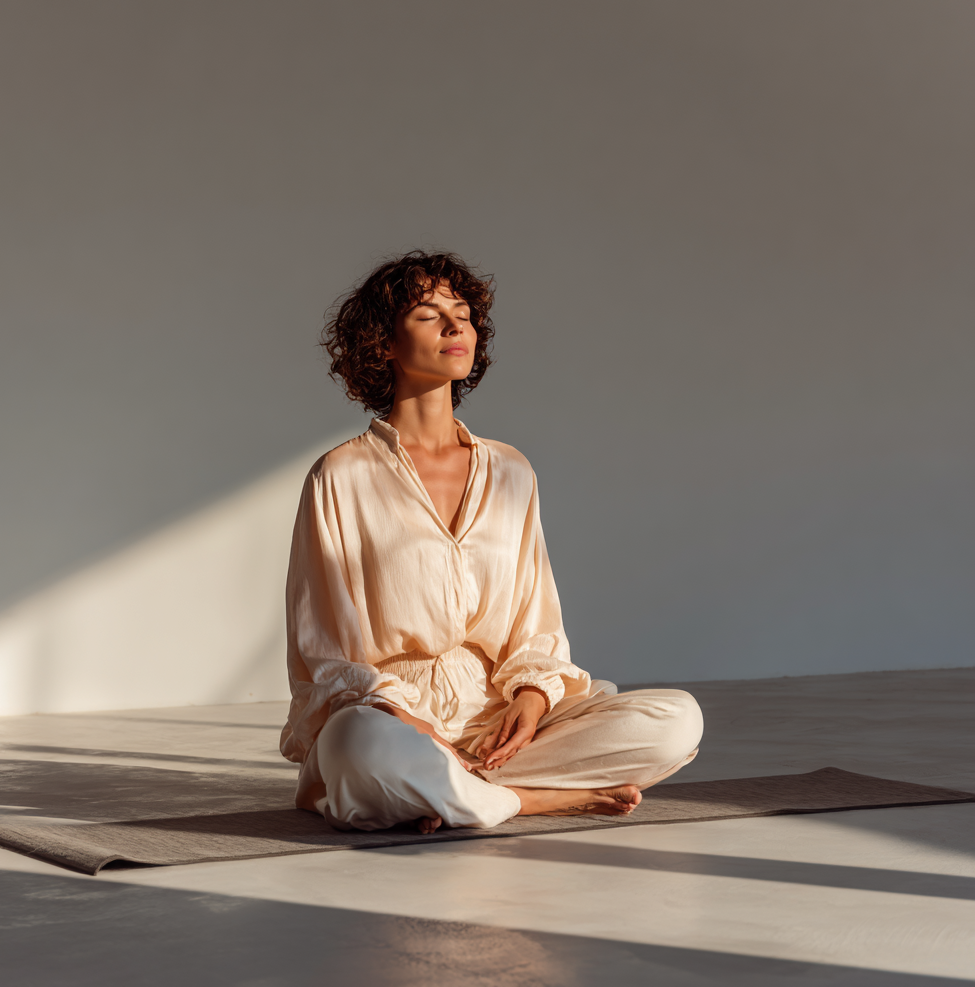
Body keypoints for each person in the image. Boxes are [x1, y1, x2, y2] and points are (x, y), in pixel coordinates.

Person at [280, 251, 702, 833]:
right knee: (361, 746)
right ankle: (531, 799)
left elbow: (535, 619)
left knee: (676, 719)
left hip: (495, 720)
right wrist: (409, 722)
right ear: (384, 344)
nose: (455, 326)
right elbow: (324, 648)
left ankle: (448, 791)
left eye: (463, 314)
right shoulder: (340, 476)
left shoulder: (511, 471)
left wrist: (531, 698)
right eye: (429, 315)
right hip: (388, 715)